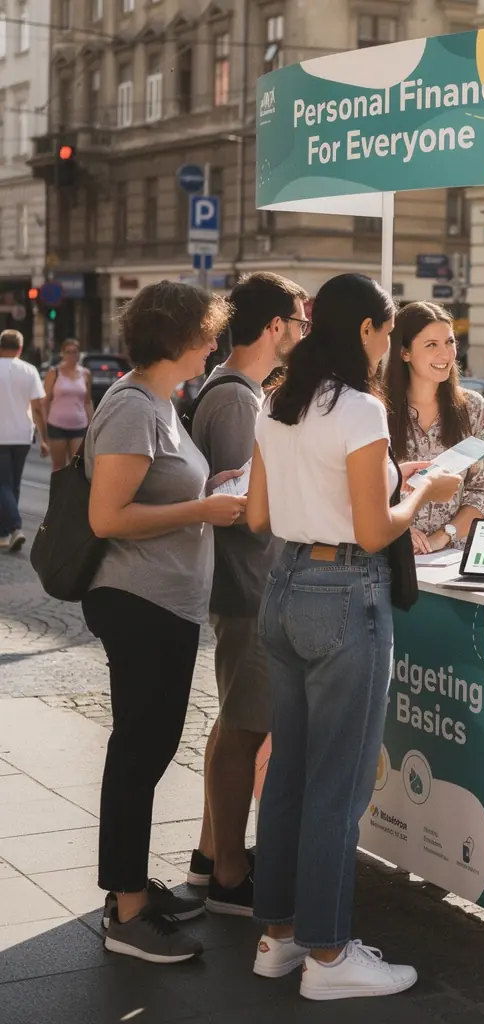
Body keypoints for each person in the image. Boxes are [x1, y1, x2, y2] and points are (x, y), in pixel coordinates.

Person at [245, 274, 461, 1000]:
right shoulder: (361, 409)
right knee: (337, 788)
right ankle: (331, 959)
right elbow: (375, 529)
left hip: (284, 587)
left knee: (291, 777)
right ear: (368, 332)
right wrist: (420, 496)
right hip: (345, 594)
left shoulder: (278, 403)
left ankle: (276, 937)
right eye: (385, 330)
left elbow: (255, 516)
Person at [82, 282, 247, 963]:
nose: (214, 345)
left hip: (165, 602)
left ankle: (131, 891)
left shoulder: (161, 402)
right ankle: (126, 914)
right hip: (139, 600)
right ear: (175, 338)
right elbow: (107, 517)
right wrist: (198, 512)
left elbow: (164, 488)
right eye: (207, 333)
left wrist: (211, 488)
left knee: (146, 751)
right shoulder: (132, 407)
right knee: (139, 754)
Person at [186, 272, 309, 917]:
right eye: (299, 321)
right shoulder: (237, 399)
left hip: (244, 584)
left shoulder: (243, 391)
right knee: (244, 729)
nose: (303, 332)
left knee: (234, 721)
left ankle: (212, 855)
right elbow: (243, 504)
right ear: (274, 328)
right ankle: (232, 875)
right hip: (249, 586)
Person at [385, 301, 484, 554]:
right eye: (431, 345)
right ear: (404, 352)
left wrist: (442, 537)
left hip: (453, 557)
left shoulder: (472, 407)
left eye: (450, 342)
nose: (445, 354)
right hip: (391, 554)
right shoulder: (377, 409)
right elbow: (360, 490)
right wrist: (398, 529)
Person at [0, 329, 48, 553]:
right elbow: (38, 408)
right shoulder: (29, 371)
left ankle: (15, 527)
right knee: (13, 485)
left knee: (3, 485)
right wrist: (44, 438)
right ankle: (4, 533)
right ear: (20, 348)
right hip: (22, 435)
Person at [43, 338, 93, 471]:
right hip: (57, 425)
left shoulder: (85, 374)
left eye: (74, 352)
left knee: (76, 467)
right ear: (62, 354)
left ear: (79, 354)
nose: (72, 355)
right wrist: (44, 427)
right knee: (59, 467)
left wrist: (92, 425)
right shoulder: (54, 373)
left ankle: (72, 492)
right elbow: (46, 401)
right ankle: (58, 492)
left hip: (78, 425)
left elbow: (87, 401)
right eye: (68, 352)